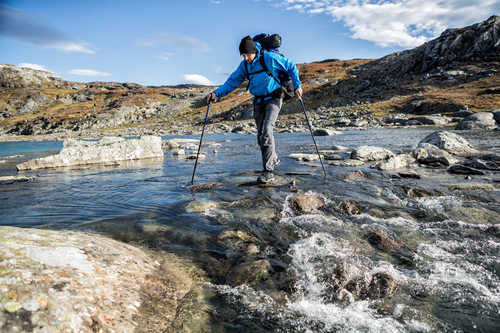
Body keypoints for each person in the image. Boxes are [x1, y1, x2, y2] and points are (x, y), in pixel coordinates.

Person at [206, 35, 302, 183]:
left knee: (266, 131)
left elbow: (291, 66)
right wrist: (216, 94)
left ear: (254, 51)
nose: (245, 58)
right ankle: (273, 159)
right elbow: (232, 82)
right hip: (258, 101)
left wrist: (297, 85)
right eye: (243, 55)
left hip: (274, 97)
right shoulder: (244, 66)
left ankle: (268, 170)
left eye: (247, 55)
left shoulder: (269, 58)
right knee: (260, 136)